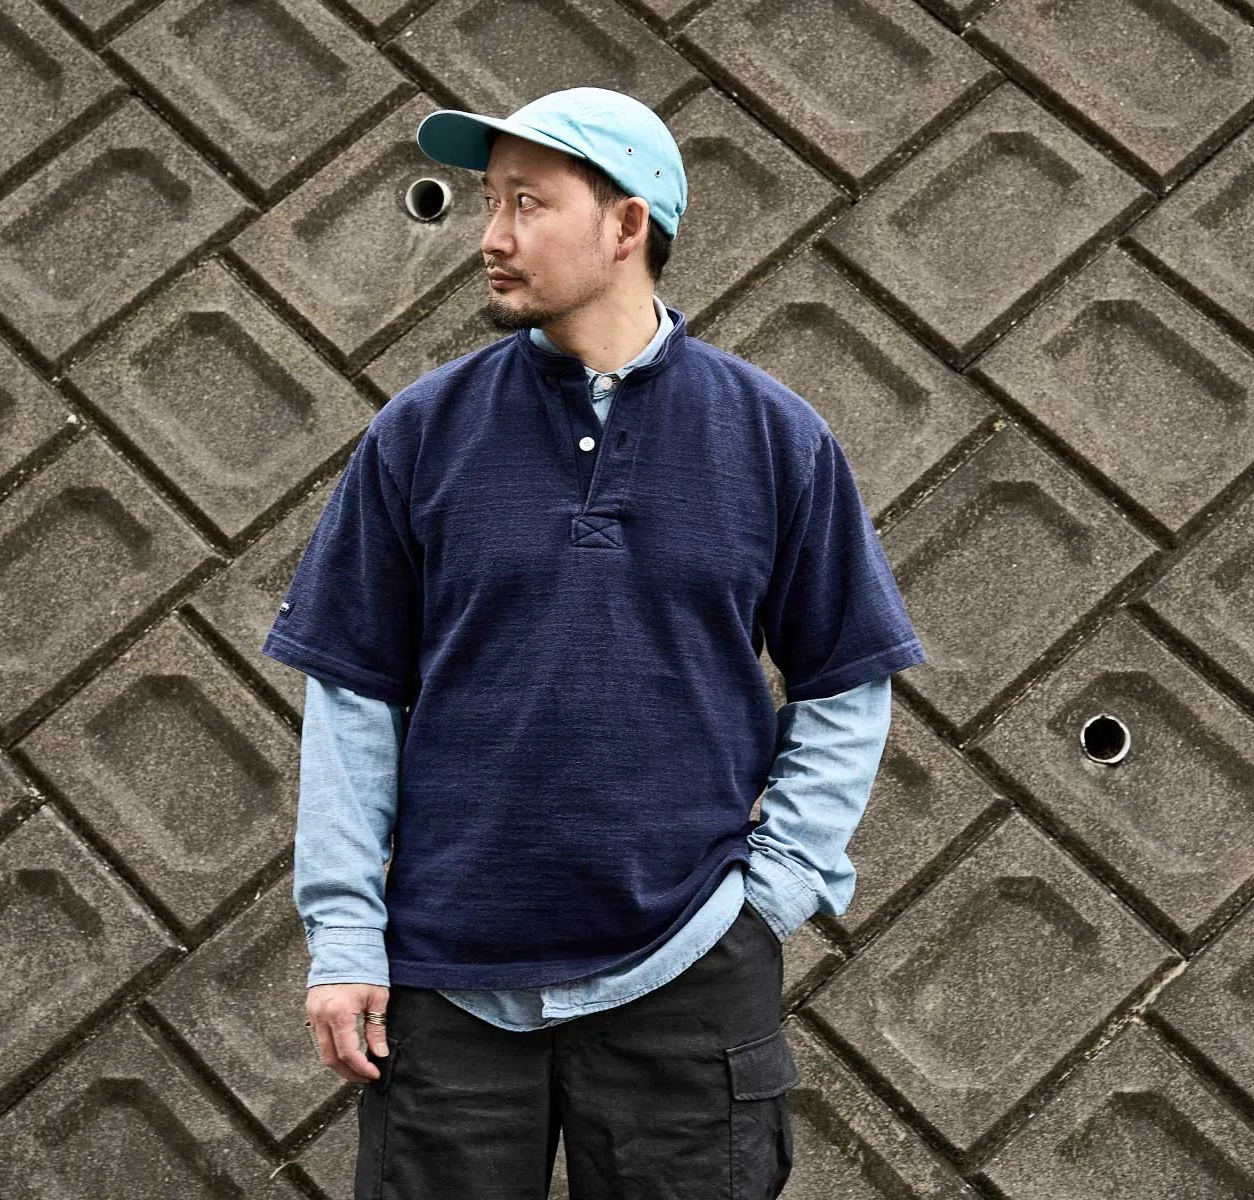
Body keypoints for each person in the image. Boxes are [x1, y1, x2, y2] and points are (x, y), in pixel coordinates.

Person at [261, 86, 926, 1199]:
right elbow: (352, 700)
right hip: (448, 983)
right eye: (490, 201)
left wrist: (771, 894)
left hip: (686, 971)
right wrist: (344, 938)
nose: (492, 235)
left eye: (528, 203)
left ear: (627, 226)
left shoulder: (773, 436)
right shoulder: (419, 432)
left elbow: (846, 682)